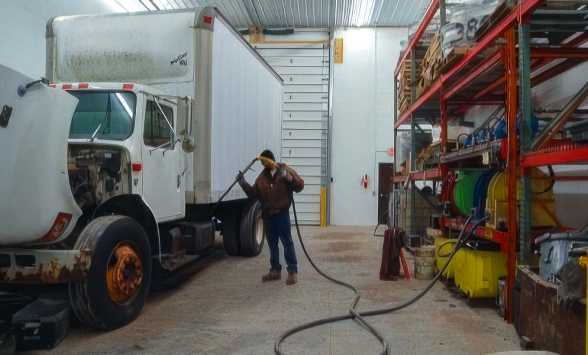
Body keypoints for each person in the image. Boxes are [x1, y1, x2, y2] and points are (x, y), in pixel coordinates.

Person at [237, 150, 304, 285]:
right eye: (262, 162)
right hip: (268, 216)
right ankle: (275, 271)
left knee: (287, 242)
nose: (264, 164)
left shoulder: (285, 170)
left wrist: (290, 179)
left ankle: (292, 272)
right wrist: (242, 182)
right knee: (273, 245)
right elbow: (252, 194)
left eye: (266, 161)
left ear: (272, 160)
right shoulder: (262, 178)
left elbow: (299, 186)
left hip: (282, 214)